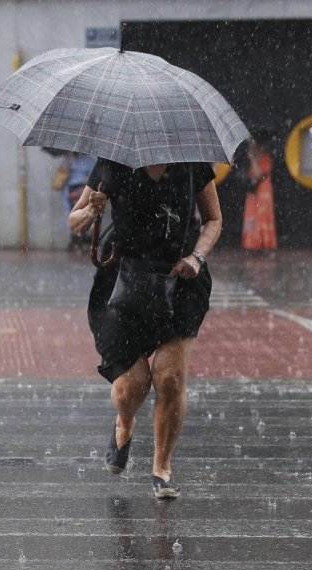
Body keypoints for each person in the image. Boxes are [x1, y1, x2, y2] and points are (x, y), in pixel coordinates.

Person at [68, 159, 220, 499]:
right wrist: (92, 211)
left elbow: (214, 219)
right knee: (131, 388)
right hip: (124, 281)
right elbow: (75, 222)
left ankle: (162, 469)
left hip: (181, 280)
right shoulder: (113, 164)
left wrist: (197, 257)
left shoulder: (192, 163)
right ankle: (124, 422)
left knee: (170, 378)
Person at [241, 136, 277, 250]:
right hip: (253, 193)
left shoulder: (266, 159)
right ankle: (251, 242)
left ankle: (263, 241)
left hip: (262, 192)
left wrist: (253, 160)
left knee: (262, 216)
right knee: (251, 216)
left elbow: (258, 174)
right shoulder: (249, 161)